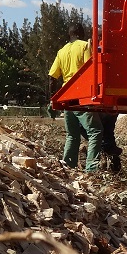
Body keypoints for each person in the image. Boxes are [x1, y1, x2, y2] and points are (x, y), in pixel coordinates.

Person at [49, 26, 103, 171]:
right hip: (81, 96)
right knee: (95, 131)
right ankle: (91, 169)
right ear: (82, 34)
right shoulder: (85, 46)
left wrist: (52, 99)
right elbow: (89, 69)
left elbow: (52, 78)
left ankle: (67, 166)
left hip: (67, 97)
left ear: (69, 34)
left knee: (72, 135)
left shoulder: (61, 51)